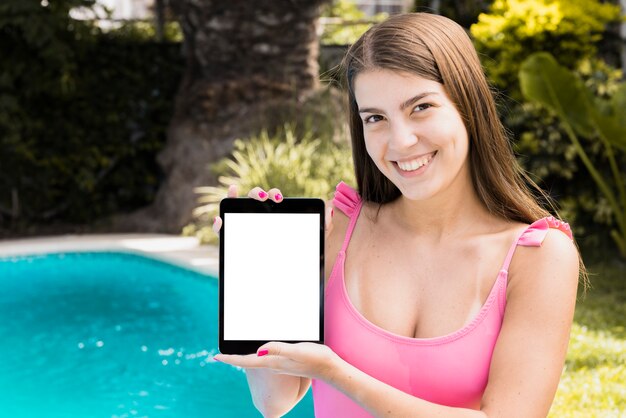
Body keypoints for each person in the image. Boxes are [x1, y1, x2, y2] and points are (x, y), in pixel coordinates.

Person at [212, 12, 582, 418]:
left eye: (421, 107)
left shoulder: (538, 257)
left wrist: (338, 373)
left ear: (468, 106)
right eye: (375, 118)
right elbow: (274, 401)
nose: (401, 141)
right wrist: (259, 278)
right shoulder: (339, 230)